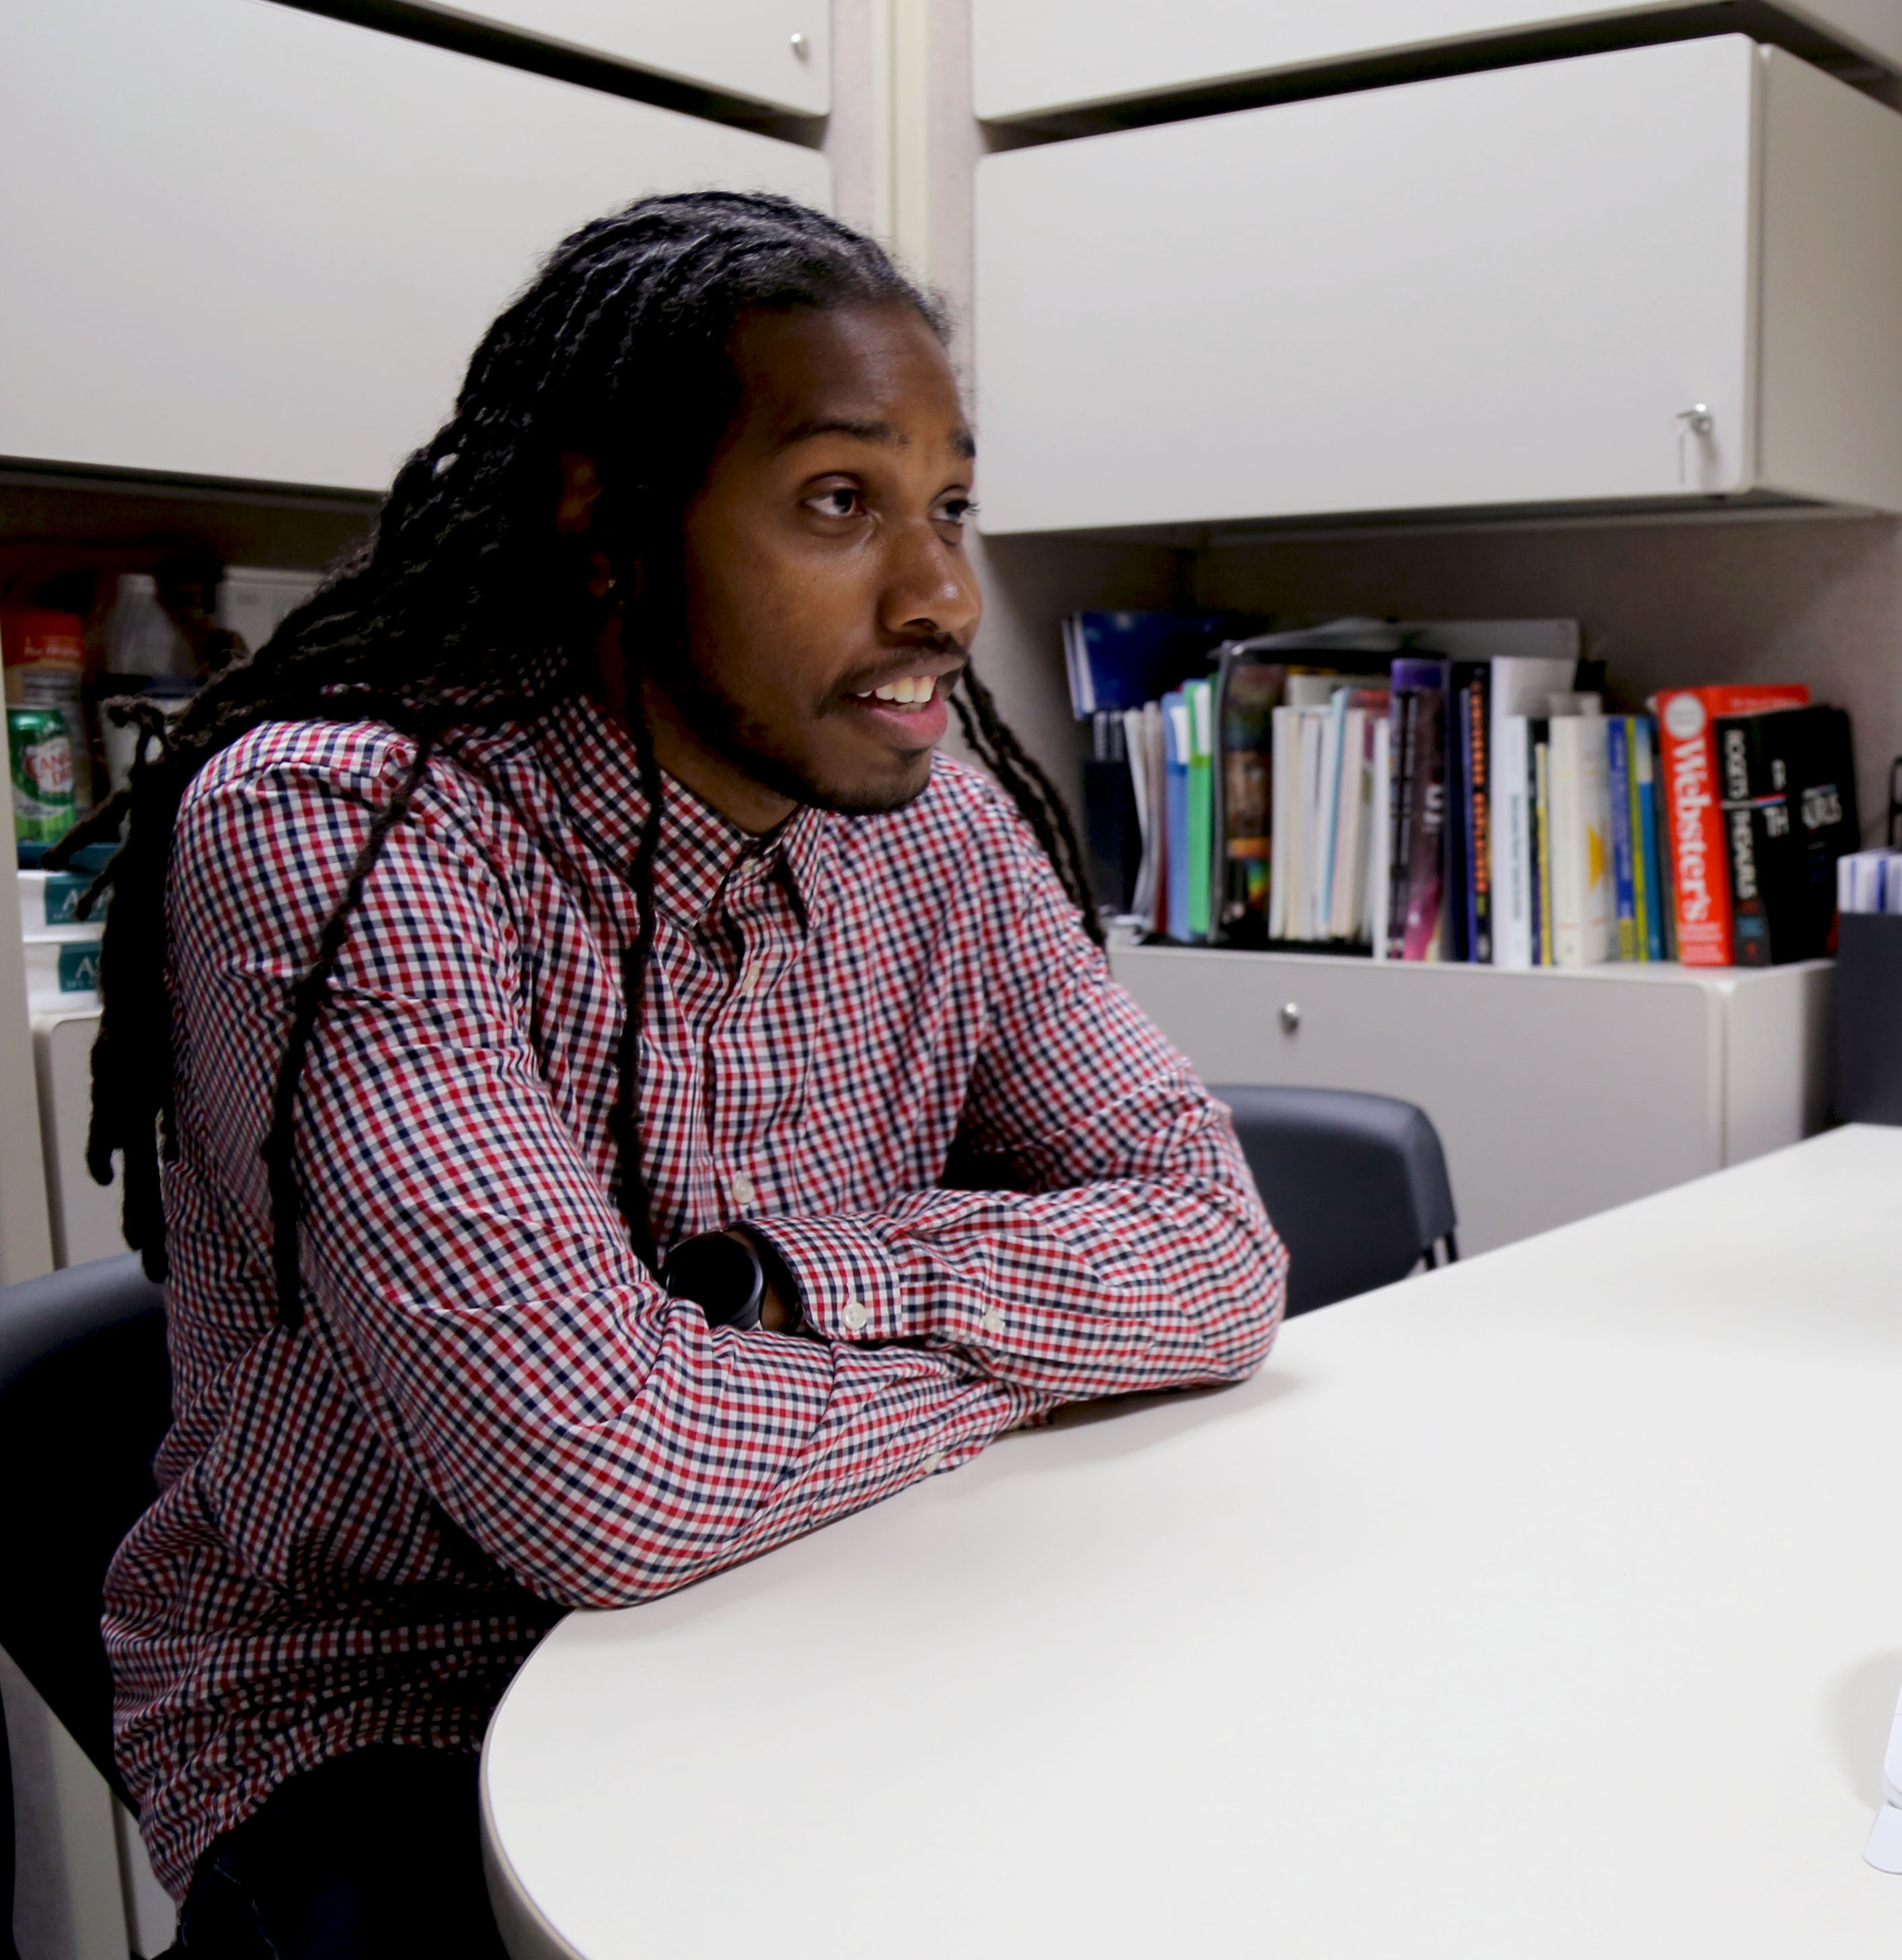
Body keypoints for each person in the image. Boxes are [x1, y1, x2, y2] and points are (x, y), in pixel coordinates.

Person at [61, 194, 1289, 1955]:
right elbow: (608, 1478)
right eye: (837, 502)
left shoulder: (932, 822)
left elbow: (1218, 1253)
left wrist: (809, 1288)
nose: (941, 595)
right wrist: (1029, 1371)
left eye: (948, 505)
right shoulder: (350, 829)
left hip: (837, 1610)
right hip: (394, 1712)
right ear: (604, 517)